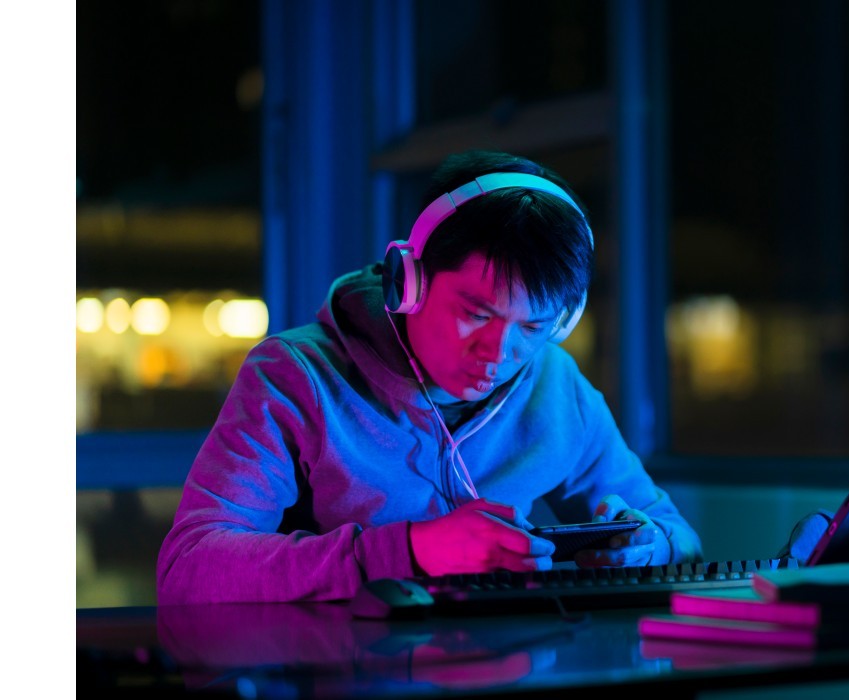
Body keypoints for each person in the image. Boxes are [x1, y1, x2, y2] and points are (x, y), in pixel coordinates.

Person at [157, 150, 703, 604]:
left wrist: (648, 548)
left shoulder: (555, 385)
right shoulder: (296, 378)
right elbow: (189, 567)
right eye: (477, 314)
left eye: (533, 326)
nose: (499, 352)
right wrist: (410, 552)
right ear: (408, 281)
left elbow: (679, 536)